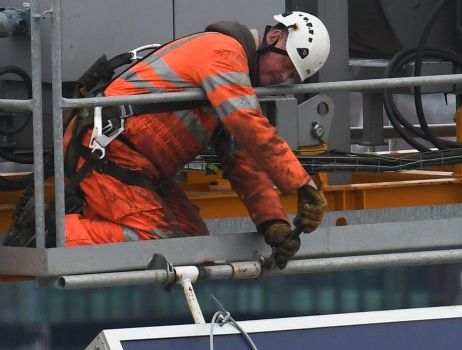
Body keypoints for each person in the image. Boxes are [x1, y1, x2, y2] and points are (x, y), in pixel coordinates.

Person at [7, 11, 329, 268]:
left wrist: (273, 223)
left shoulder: (236, 81)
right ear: (274, 37)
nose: (282, 77)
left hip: (137, 165)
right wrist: (301, 184)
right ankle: (50, 235)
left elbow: (242, 161)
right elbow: (247, 123)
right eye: (286, 65)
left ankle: (82, 227)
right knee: (155, 239)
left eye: (292, 76)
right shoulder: (223, 53)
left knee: (192, 242)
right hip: (109, 152)